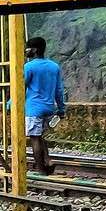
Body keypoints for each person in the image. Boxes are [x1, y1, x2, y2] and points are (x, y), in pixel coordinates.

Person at [22, 36, 65, 175]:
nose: (25, 50)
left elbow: (21, 87)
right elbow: (59, 89)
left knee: (35, 138)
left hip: (34, 108)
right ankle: (48, 160)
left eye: (27, 48)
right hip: (49, 108)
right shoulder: (54, 66)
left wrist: (10, 103)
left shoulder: (29, 66)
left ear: (34, 50)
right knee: (41, 136)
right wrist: (61, 108)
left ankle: (41, 170)